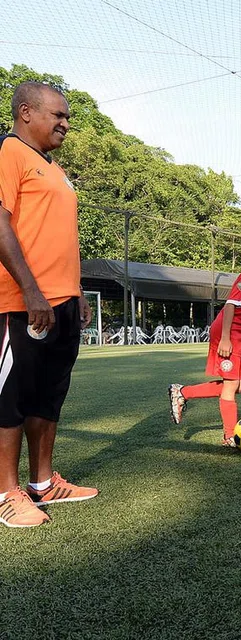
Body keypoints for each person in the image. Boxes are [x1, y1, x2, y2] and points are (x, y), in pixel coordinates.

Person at [0, 82, 96, 528]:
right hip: (18, 301)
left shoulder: (54, 169)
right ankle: (6, 493)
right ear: (25, 113)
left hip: (62, 302)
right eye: (57, 115)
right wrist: (32, 291)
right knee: (10, 400)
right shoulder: (8, 152)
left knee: (48, 397)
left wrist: (74, 292)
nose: (65, 123)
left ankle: (43, 484)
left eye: (68, 117)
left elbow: (60, 237)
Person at [169, 232, 241, 447]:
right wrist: (225, 339)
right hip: (228, 337)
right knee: (231, 387)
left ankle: (183, 392)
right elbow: (231, 305)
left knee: (240, 387)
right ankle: (229, 436)